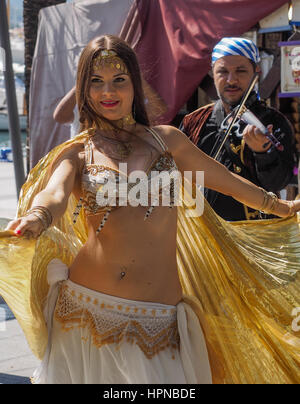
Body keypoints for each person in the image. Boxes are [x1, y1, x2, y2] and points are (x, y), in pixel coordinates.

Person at [0, 35, 299, 384]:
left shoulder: (168, 141)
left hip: (160, 320)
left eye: (118, 80)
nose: (107, 91)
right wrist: (37, 217)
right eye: (95, 81)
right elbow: (53, 194)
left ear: (135, 84)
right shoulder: (78, 153)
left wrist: (282, 207)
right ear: (83, 89)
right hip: (85, 315)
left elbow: (227, 181)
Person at [180, 37, 296, 221]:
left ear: (256, 72)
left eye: (241, 71)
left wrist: (263, 153)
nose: (231, 80)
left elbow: (279, 183)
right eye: (223, 71)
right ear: (212, 72)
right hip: (205, 232)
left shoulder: (273, 121)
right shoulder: (193, 121)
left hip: (256, 236)